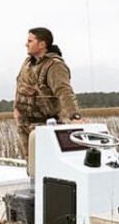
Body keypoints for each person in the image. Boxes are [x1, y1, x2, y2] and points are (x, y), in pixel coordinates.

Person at [13, 27, 82, 159]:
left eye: (30, 41)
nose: (26, 44)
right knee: (31, 165)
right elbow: (19, 86)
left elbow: (64, 91)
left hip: (45, 126)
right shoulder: (27, 62)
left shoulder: (54, 66)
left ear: (42, 44)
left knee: (47, 164)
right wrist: (16, 111)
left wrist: (75, 117)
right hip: (24, 124)